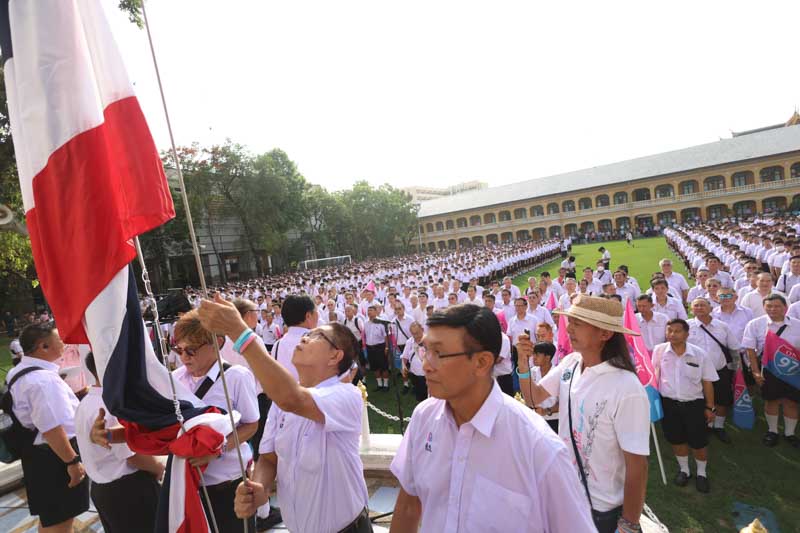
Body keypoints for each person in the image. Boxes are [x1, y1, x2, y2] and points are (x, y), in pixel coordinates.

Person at [389, 305, 594, 532]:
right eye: (425, 350)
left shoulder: (539, 448)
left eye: (439, 353)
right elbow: (408, 506)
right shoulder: (423, 417)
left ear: (482, 362)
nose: (426, 365)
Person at [197, 295, 372, 533]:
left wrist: (240, 332)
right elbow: (269, 458)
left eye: (317, 336)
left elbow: (293, 399)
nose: (305, 337)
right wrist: (259, 487)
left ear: (335, 356)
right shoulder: (281, 403)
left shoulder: (346, 395)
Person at [517, 295, 650, 533]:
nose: (569, 328)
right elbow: (533, 397)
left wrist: (629, 524)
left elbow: (637, 464)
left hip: (603, 507)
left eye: (579, 323)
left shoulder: (627, 387)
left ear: (605, 334)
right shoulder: (570, 363)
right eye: (570, 321)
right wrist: (524, 365)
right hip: (567, 491)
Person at [172, 310, 260, 532]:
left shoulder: (236, 376)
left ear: (217, 343)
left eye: (191, 350)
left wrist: (218, 449)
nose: (184, 357)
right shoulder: (174, 380)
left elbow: (251, 425)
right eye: (179, 350)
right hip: (189, 488)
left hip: (228, 486)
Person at [6, 323, 89, 532]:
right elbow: (51, 428)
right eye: (59, 340)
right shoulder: (43, 381)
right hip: (55, 457)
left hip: (40, 455)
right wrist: (72, 462)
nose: (63, 344)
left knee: (51, 517)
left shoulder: (19, 371)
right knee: (61, 520)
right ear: (43, 346)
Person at [74, 353, 163, 533]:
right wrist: (158, 468)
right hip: (129, 491)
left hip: (104, 488)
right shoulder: (111, 405)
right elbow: (132, 456)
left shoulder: (87, 401)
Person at [651, 319, 718, 493]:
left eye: (677, 331)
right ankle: (684, 470)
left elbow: (708, 381)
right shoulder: (659, 351)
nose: (672, 334)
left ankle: (702, 473)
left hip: (694, 404)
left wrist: (710, 407)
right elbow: (653, 376)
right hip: (669, 404)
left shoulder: (699, 354)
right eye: (669, 331)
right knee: (676, 438)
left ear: (687, 334)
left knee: (698, 442)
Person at [743, 294, 800, 447]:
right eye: (769, 306)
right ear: (764, 308)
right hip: (768, 370)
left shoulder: (797, 325)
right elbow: (750, 351)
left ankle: (790, 433)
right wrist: (755, 372)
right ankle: (772, 431)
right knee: (771, 401)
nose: (773, 309)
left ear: (785, 308)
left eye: (777, 306)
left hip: (793, 371)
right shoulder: (755, 324)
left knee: (791, 402)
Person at [687, 298, 740, 443]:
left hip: (719, 370)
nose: (699, 308)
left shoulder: (722, 326)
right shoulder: (686, 326)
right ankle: (706, 426)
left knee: (722, 400)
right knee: (698, 400)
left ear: (711, 308)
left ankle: (719, 427)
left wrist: (737, 368)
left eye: (703, 305)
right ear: (691, 310)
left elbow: (734, 348)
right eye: (696, 306)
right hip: (695, 373)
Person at [517, 341, 559, 432]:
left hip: (553, 420)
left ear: (547, 357)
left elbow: (563, 402)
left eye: (538, 355)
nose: (534, 357)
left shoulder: (558, 374)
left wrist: (546, 411)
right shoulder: (532, 372)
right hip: (534, 418)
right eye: (534, 354)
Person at [400, 322, 428, 401]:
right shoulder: (410, 342)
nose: (415, 336)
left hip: (429, 375)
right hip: (415, 374)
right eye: (413, 334)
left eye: (417, 333)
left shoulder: (430, 340)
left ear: (422, 330)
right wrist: (404, 366)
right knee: (420, 397)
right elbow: (404, 357)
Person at [365, 305, 390, 391]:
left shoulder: (381, 323)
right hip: (370, 348)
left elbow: (386, 336)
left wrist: (386, 347)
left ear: (376, 312)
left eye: (371, 310)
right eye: (368, 311)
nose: (369, 312)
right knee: (375, 367)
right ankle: (379, 384)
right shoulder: (366, 323)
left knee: (384, 367)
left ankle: (386, 385)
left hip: (380, 347)